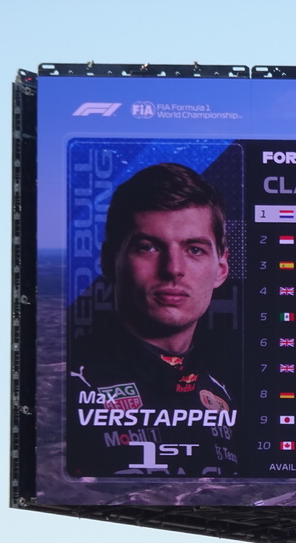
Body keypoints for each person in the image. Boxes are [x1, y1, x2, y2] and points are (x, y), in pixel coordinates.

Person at [66, 162, 239, 478]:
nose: (173, 268)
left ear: (222, 268)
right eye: (148, 247)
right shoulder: (67, 386)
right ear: (109, 260)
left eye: (195, 250)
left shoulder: (226, 390)